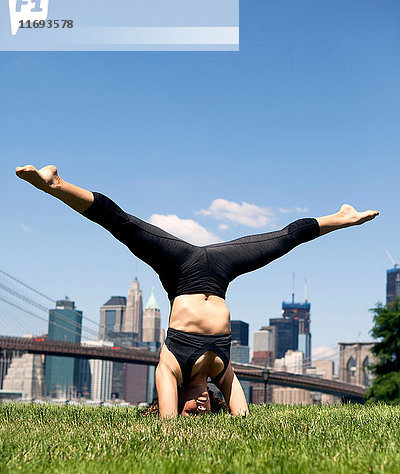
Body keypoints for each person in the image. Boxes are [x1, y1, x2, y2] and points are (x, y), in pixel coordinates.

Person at [15, 164, 379, 418]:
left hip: (183, 268)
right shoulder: (222, 373)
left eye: (191, 410)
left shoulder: (170, 369)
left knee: (124, 225)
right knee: (284, 240)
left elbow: (170, 431)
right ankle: (342, 217)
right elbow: (245, 420)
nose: (200, 407)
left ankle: (57, 184)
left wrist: (175, 420)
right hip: (220, 270)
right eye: (203, 411)